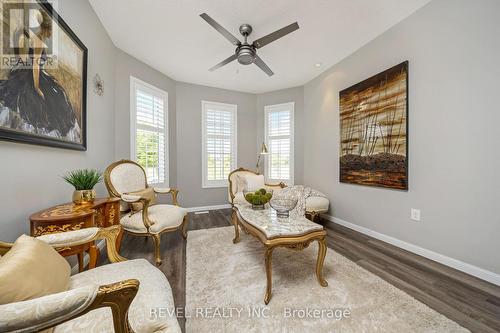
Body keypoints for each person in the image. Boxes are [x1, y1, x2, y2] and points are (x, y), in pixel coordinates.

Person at [0, 9, 79, 140]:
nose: (52, 33)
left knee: (57, 96)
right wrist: (37, 87)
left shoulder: (37, 38)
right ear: (46, 29)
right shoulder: (38, 41)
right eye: (51, 30)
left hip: (35, 72)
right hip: (33, 75)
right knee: (43, 101)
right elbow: (35, 65)